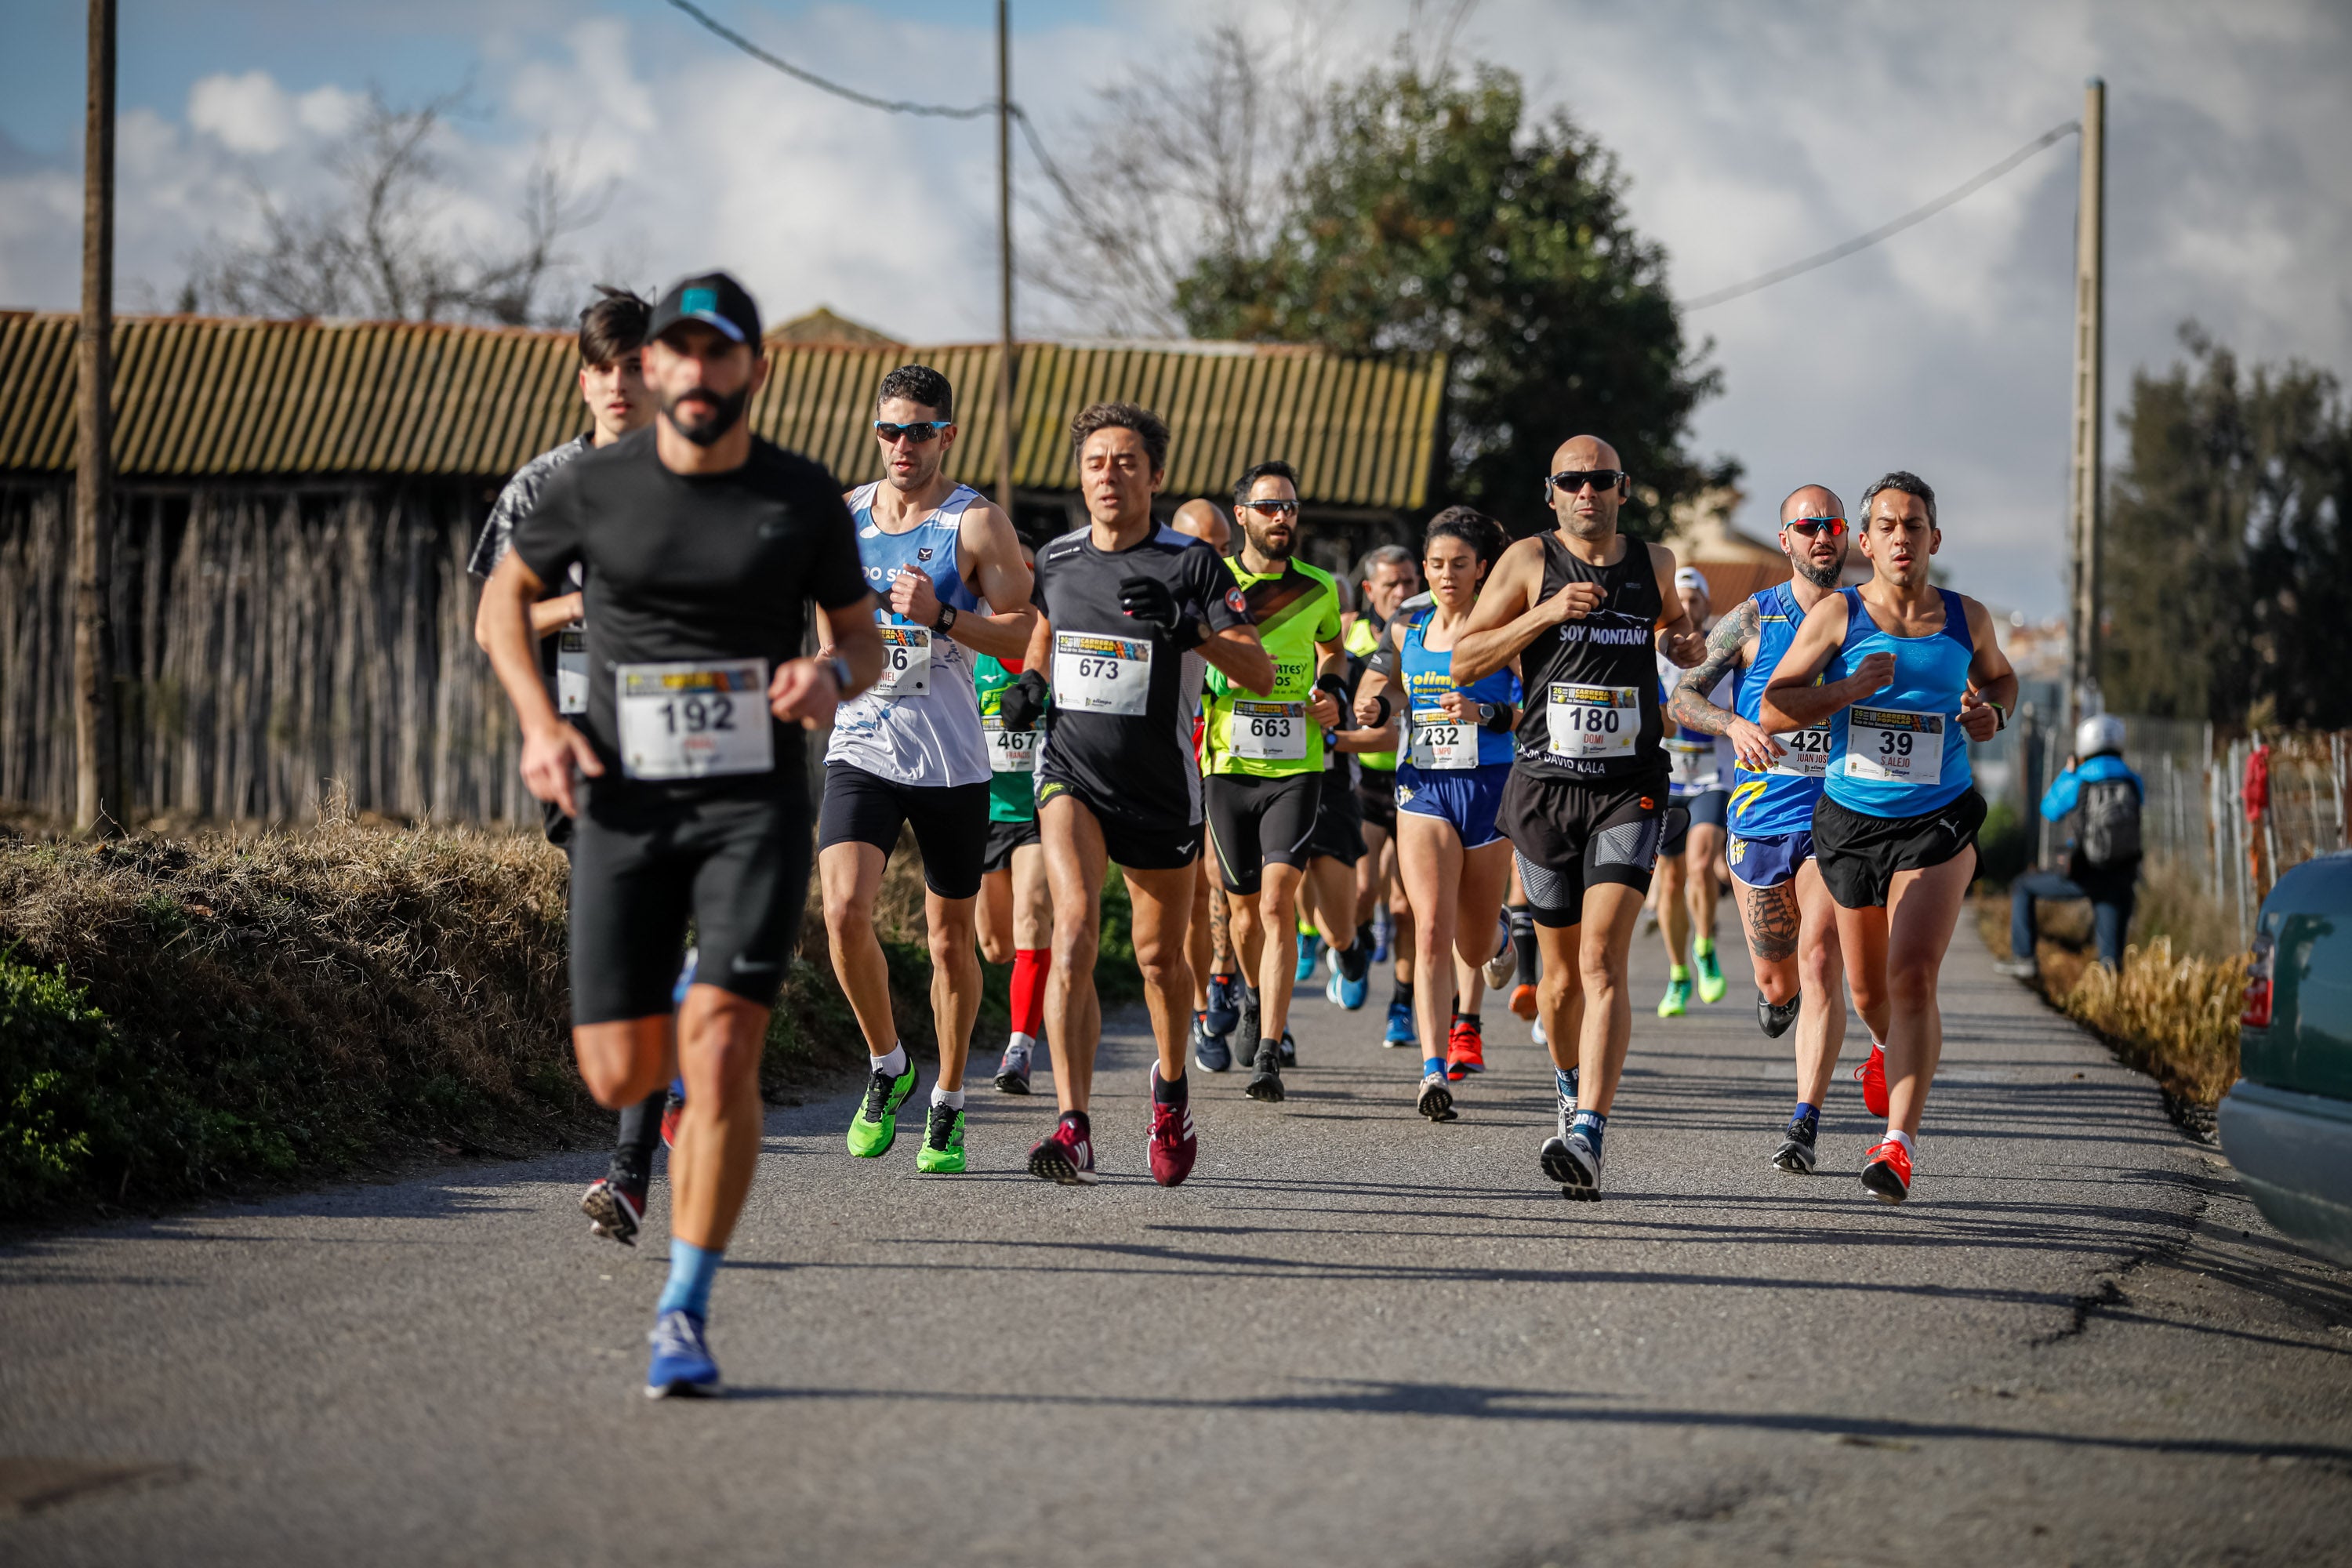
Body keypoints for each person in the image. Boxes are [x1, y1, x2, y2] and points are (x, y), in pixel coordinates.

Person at [479, 270, 882, 1396]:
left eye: (721, 353)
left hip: (750, 805)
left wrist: (829, 674)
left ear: (756, 367)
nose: (698, 373)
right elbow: (498, 604)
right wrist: (534, 726)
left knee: (721, 1054)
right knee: (620, 1066)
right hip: (623, 802)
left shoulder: (801, 498)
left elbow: (863, 641)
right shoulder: (591, 487)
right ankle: (666, 1009)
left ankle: (685, 1308)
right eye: (679, 353)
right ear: (651, 368)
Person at [997, 404, 1272, 1185]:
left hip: (1159, 786)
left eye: (1125, 461)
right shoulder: (1056, 557)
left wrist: (1191, 629)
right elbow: (1048, 631)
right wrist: (1030, 683)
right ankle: (1073, 1123)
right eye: (1095, 461)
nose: (1109, 474)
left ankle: (1171, 1089)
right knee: (1076, 923)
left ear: (1155, 474)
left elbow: (1254, 672)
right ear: (1079, 474)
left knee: (1158, 960)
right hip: (1071, 772)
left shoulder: (1194, 565)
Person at [464, 285, 675, 1247]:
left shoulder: (698, 478)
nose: (620, 384)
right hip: (584, 743)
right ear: (583, 378)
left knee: (648, 939)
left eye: (637, 366)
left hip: (684, 743)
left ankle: (630, 1170)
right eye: (604, 368)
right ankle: (654, 1088)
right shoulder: (544, 486)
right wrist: (578, 608)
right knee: (614, 959)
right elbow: (491, 618)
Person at [1450, 435, 1704, 1200]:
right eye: (1573, 480)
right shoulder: (1528, 562)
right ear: (1552, 491)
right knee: (1557, 984)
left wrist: (1680, 640)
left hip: (1629, 784)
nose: (1587, 491)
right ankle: (1568, 1082)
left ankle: (1589, 1125)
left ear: (1623, 487)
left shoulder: (1655, 562)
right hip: (1545, 786)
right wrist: (1548, 613)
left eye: (1601, 479)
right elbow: (1465, 658)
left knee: (1600, 960)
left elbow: (1672, 634)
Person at [1763, 470, 2016, 1205]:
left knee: (1912, 975)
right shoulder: (1838, 616)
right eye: (1886, 525)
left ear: (1934, 538)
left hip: (1938, 818)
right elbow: (1777, 708)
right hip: (1849, 823)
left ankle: (1897, 1145)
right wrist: (1847, 690)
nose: (1901, 537)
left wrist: (1994, 716)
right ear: (1864, 542)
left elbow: (2002, 682)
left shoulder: (1968, 619)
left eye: (1914, 525)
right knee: (1868, 989)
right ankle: (1882, 1048)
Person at [815, 365, 1036, 1175]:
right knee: (843, 912)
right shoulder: (841, 516)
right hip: (861, 746)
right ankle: (887, 1064)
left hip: (950, 761)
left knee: (950, 944)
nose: (903, 445)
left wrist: (941, 615)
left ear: (948, 433)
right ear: (875, 431)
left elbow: (1022, 634)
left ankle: (946, 1097)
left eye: (919, 430)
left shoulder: (975, 524)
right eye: (889, 430)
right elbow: (827, 606)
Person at [1667, 484, 1853, 1174]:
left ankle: (1804, 1121)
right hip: (1761, 815)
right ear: (1787, 541)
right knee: (1780, 980)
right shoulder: (1752, 619)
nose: (1821, 536)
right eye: (1807, 526)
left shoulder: (1864, 617)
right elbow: (1684, 695)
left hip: (1839, 813)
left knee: (1820, 957)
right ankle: (1778, 998)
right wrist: (1734, 723)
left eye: (1833, 525)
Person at [1198, 460, 1357, 1102]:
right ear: (1241, 516)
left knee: (1276, 901)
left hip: (1297, 765)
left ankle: (1268, 1046)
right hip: (1228, 765)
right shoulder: (1213, 581)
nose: (1281, 518)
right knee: (1242, 914)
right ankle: (1256, 995)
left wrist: (1334, 691)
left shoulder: (1320, 588)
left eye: (1289, 507)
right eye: (1267, 507)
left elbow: (1333, 651)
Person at [1355, 507, 1520, 1117]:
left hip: (1488, 789)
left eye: (1459, 565)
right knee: (1429, 927)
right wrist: (1374, 708)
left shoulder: (1504, 629)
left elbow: (1537, 710)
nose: (1446, 575)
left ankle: (1501, 931)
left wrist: (1487, 715)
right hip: (1422, 787)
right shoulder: (1407, 627)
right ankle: (1432, 1070)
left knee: (1472, 947)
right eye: (1436, 565)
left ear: (1482, 570)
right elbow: (1379, 689)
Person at [1167, 499, 1247, 1068]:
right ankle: (1201, 1008)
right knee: (1192, 896)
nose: (1218, 561)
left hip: (1224, 756)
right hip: (1169, 755)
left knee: (1221, 880)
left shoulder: (1236, 600)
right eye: (1206, 549)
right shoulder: (1148, 585)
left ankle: (1223, 977)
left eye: (1225, 550)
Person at [978, 546, 1053, 1095]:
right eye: (1011, 569)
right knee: (995, 947)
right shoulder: (972, 645)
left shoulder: (1053, 650)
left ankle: (1019, 1050)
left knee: (1032, 918)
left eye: (1031, 570)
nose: (1019, 579)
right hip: (982, 811)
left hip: (1038, 810)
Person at [2001, 713, 2143, 977]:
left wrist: (2068, 773)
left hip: (2082, 873)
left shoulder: (2079, 778)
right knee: (2110, 963)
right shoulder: (2132, 780)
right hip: (2120, 874)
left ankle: (2024, 958)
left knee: (2023, 886)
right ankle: (2110, 1005)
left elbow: (2049, 810)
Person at [1348, 544, 1422, 1047]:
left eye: (1409, 582)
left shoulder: (1426, 630)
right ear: (1371, 590)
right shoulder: (1348, 637)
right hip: (1364, 781)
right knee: (1361, 890)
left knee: (1404, 904)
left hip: (1413, 777)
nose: (1403, 592)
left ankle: (1401, 1001)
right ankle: (1350, 949)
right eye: (1391, 584)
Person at [1653, 567, 1734, 1017]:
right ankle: (1678, 972)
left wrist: (1710, 717)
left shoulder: (1724, 655)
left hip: (1712, 778)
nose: (1686, 609)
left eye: (1695, 601)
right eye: (1678, 602)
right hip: (1667, 779)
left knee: (1702, 863)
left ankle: (1704, 947)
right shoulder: (1655, 656)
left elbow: (1740, 710)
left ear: (1706, 608)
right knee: (1668, 880)